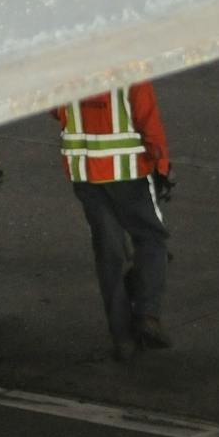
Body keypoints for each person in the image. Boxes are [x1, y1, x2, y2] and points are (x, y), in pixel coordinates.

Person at [55, 84, 174, 362]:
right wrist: (163, 164)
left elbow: (53, 107)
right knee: (151, 239)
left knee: (109, 253)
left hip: (84, 171)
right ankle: (147, 315)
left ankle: (122, 338)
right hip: (127, 170)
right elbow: (147, 116)